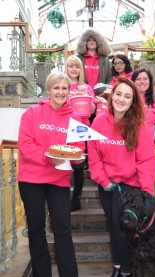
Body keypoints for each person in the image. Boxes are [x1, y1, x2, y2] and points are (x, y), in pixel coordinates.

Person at [17, 72, 85, 277]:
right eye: (56, 88)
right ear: (48, 89)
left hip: (59, 180)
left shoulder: (74, 117)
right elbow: (25, 144)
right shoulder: (32, 112)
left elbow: (77, 146)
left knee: (63, 230)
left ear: (69, 91)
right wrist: (48, 157)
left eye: (64, 88)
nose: (61, 92)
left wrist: (77, 157)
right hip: (31, 179)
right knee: (36, 229)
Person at [88, 77, 155, 277]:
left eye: (127, 96)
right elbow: (94, 154)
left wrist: (146, 193)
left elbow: (146, 161)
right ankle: (118, 269)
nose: (121, 99)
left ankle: (127, 274)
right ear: (112, 95)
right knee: (112, 228)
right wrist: (103, 179)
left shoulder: (139, 126)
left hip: (130, 188)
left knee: (122, 233)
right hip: (107, 185)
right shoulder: (98, 122)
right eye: (119, 94)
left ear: (132, 102)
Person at [64, 55, 97, 212]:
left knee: (78, 167)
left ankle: (76, 199)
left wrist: (87, 95)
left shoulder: (87, 87)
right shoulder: (62, 85)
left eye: (77, 66)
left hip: (81, 129)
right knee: (63, 164)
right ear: (67, 68)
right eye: (71, 66)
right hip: (64, 128)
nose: (74, 69)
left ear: (80, 69)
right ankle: (61, 199)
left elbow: (92, 111)